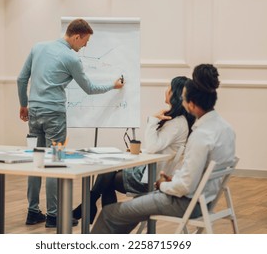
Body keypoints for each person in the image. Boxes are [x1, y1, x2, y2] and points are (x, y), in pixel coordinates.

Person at [91, 64, 236, 233]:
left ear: (192, 104)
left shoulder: (201, 136)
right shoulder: (226, 129)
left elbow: (185, 187)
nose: (181, 102)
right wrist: (172, 180)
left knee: (109, 214)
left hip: (185, 203)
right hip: (204, 200)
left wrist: (162, 185)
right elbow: (192, 176)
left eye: (184, 99)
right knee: (125, 215)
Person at [17, 18, 124, 228]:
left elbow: (21, 79)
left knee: (36, 160)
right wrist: (113, 85)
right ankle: (54, 216)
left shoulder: (38, 47)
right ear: (77, 36)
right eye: (85, 41)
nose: (85, 46)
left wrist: (24, 104)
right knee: (53, 162)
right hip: (54, 115)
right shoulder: (71, 58)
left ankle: (32, 212)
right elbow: (90, 88)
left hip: (35, 112)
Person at [73, 76, 195, 223]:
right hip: (151, 172)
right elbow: (159, 148)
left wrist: (152, 120)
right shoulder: (178, 120)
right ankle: (98, 213)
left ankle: (91, 207)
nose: (166, 90)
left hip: (150, 178)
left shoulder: (175, 123)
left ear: (175, 93)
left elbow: (152, 146)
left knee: (108, 176)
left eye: (169, 87)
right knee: (109, 174)